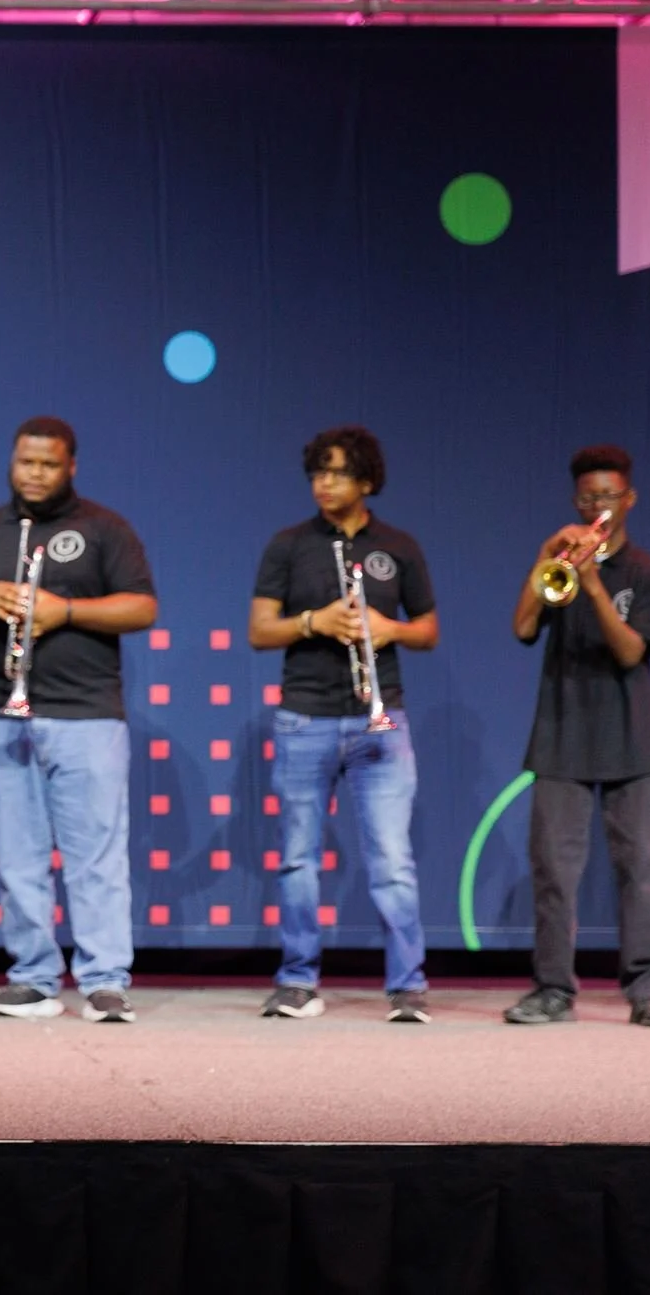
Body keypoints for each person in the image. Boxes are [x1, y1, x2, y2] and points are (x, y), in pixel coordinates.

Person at [0, 417, 157, 1024]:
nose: (35, 473)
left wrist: (67, 611)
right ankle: (32, 976)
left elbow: (142, 606)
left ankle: (105, 980)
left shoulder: (105, 528)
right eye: (25, 462)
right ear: (12, 462)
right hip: (4, 714)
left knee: (97, 857)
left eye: (48, 464)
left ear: (71, 467)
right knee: (17, 855)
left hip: (88, 715)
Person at [247, 426, 439, 1023]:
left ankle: (406, 986)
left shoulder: (399, 546)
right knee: (299, 859)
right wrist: (313, 622)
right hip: (305, 719)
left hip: (379, 722)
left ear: (367, 481)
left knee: (392, 860)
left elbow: (427, 630)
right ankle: (297, 980)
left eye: (336, 473)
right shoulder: (288, 545)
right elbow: (260, 630)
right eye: (317, 473)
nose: (323, 484)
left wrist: (390, 629)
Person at [504, 445, 650, 1029]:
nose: (597, 505)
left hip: (633, 739)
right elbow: (524, 625)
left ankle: (648, 990)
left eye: (608, 496)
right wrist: (543, 561)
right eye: (587, 497)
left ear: (628, 499)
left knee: (641, 871)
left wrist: (595, 583)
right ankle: (553, 989)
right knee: (553, 871)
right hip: (561, 737)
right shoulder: (560, 561)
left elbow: (631, 651)